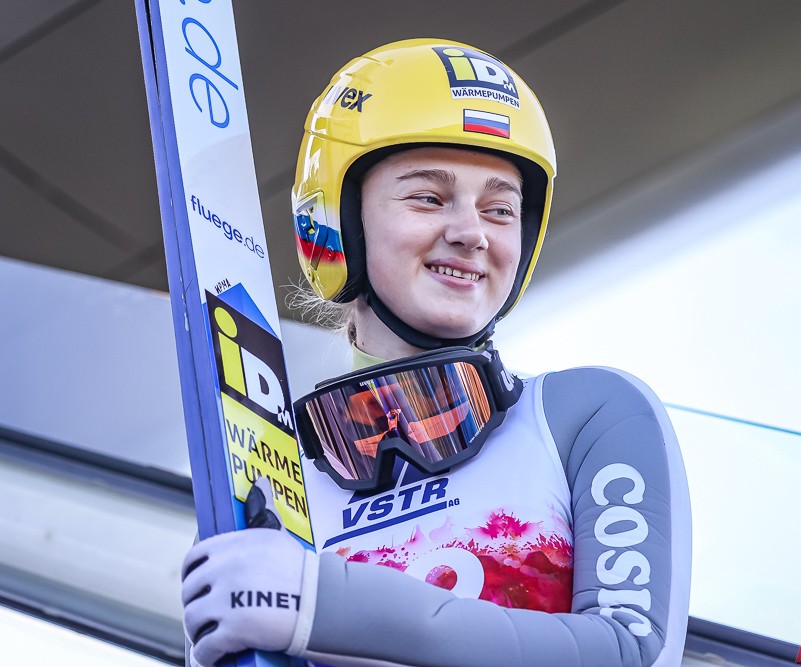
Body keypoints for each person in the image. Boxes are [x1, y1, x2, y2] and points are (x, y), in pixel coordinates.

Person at [180, 38, 692, 667]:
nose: (472, 233)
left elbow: (632, 652)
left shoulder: (585, 415)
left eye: (500, 209)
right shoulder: (277, 485)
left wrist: (321, 604)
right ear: (339, 222)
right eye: (428, 197)